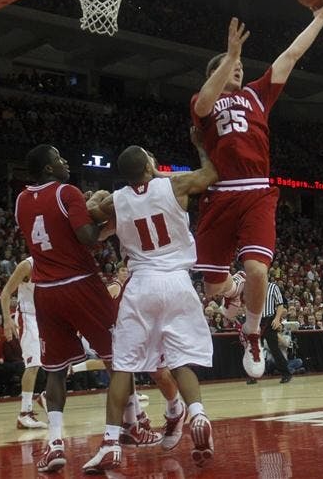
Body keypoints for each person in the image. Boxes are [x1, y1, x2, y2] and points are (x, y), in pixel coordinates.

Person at [190, 0, 323, 379]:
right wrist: (230, 56)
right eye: (230, 67)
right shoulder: (202, 100)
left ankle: (252, 331)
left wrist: (319, 19)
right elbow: (203, 105)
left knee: (257, 270)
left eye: (240, 66)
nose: (238, 70)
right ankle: (232, 288)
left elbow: (290, 55)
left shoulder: (257, 93)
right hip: (220, 195)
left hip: (256, 190)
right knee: (213, 290)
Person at [82, 139, 217, 472]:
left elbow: (92, 213)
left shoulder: (118, 200)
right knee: (180, 360)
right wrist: (201, 145)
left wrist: (97, 199)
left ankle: (111, 442)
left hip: (141, 284)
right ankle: (197, 413)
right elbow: (210, 174)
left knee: (123, 366)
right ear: (148, 166)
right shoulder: (174, 184)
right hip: (178, 282)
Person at [15, 144, 117, 473]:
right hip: (80, 283)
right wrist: (110, 221)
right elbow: (87, 237)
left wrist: (80, 210)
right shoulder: (66, 191)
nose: (65, 162)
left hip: (46, 291)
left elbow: (54, 229)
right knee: (117, 357)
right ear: (48, 168)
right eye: (59, 158)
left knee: (55, 370)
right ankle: (125, 429)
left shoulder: (20, 201)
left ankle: (55, 443)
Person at [1, 257, 47, 430]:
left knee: (59, 361)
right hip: (28, 316)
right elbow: (6, 293)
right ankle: (24, 413)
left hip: (46, 317)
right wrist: (7, 319)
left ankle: (47, 396)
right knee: (33, 364)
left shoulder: (56, 262)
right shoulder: (27, 265)